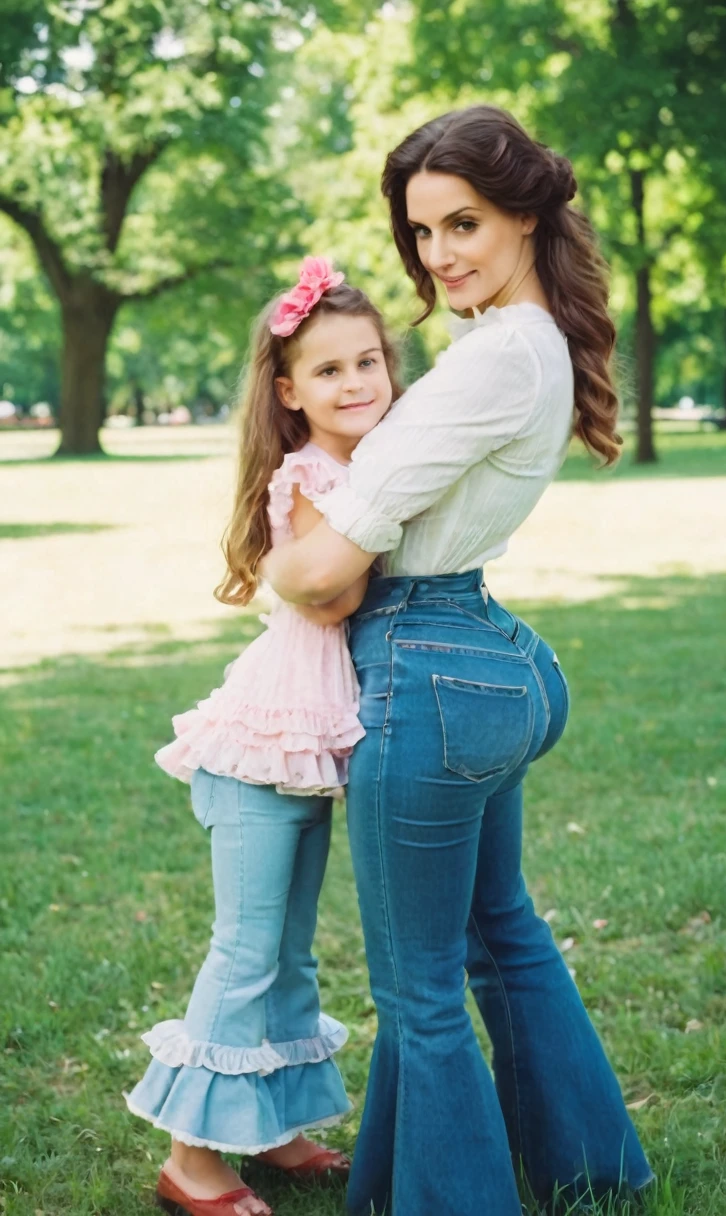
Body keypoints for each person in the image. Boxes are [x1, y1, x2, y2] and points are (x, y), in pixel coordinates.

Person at [259, 107, 655, 1215]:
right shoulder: (510, 344)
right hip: (479, 652)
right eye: (422, 232)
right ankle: (590, 1172)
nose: (439, 255)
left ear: (523, 212)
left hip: (431, 666)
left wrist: (272, 557)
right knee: (501, 933)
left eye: (464, 222)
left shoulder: (495, 361)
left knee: (420, 987)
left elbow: (330, 560)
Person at [125, 258, 401, 1216]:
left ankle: (272, 1127)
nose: (357, 382)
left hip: (308, 741)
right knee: (246, 952)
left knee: (292, 952)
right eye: (329, 370)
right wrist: (389, 512)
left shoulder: (364, 469)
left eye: (369, 361)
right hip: (263, 745)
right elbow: (334, 597)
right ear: (289, 393)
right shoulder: (317, 476)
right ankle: (191, 1160)